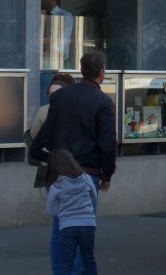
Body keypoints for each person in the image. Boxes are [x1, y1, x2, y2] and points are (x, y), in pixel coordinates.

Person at [30, 50, 117, 194]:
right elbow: (108, 144)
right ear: (102, 73)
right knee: (83, 214)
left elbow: (45, 136)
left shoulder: (59, 97)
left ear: (82, 71)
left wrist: (55, 159)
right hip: (88, 172)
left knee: (59, 215)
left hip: (59, 171)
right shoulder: (104, 102)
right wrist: (107, 176)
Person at [28, 72, 79, 275]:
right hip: (73, 172)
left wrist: (51, 158)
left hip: (53, 173)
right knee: (76, 224)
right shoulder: (78, 113)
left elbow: (33, 139)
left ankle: (59, 274)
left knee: (59, 225)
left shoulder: (44, 112)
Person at [45, 148, 100, 275]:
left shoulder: (57, 185)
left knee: (66, 260)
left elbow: (50, 210)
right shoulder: (86, 179)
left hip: (67, 226)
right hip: (88, 224)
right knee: (88, 258)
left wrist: (62, 212)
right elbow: (93, 198)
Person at [41, 0, 74, 68]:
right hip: (43, 55)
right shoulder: (41, 15)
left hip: (58, 57)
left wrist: (52, 50)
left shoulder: (65, 16)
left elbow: (65, 37)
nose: (41, 2)